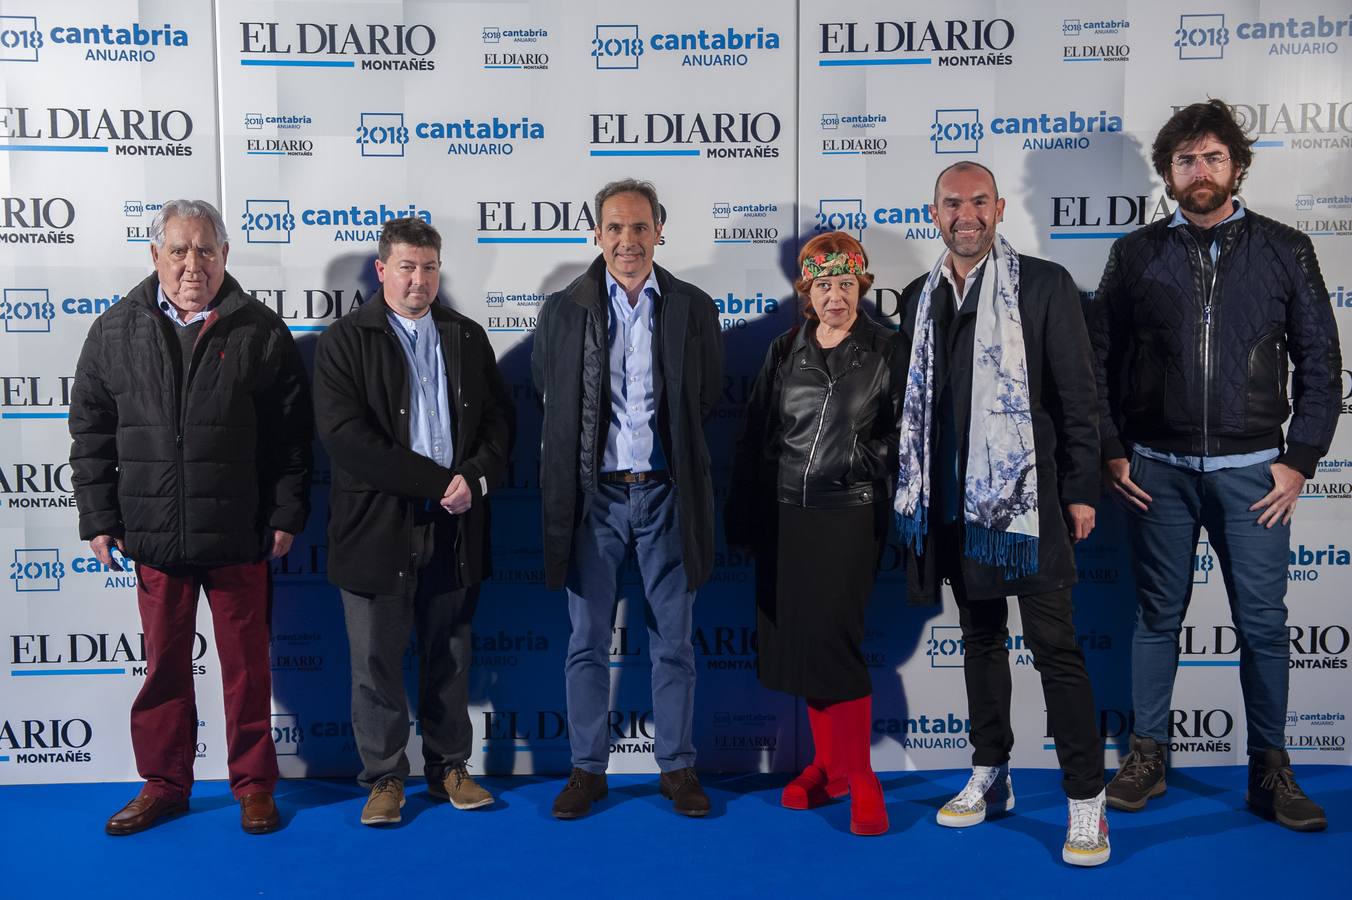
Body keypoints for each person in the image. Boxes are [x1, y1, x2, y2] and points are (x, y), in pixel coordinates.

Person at [1091, 99, 1339, 832]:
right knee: (1155, 618)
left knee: (1263, 625)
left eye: (1212, 157)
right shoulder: (1134, 253)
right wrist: (1110, 447)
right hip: (1155, 470)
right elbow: (1097, 360)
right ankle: (1148, 755)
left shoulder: (1286, 249)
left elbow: (1322, 361)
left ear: (1236, 165)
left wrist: (1300, 459)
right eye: (1185, 160)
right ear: (1168, 172)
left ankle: (1271, 769)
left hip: (1256, 474)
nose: (1199, 171)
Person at [69, 199, 311, 836]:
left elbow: (291, 438)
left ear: (226, 255)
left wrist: (286, 510)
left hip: (239, 534)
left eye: (206, 249)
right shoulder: (114, 330)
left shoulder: (259, 330)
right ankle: (165, 784)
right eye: (178, 250)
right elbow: (90, 433)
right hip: (153, 537)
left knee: (247, 669)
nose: (192, 263)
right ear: (155, 256)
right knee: (164, 672)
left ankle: (255, 786)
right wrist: (98, 515)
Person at [896, 162, 1108, 866]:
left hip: (1031, 506)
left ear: (999, 208)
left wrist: (1080, 490)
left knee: (1057, 651)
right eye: (953, 203)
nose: (967, 214)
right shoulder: (919, 300)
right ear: (934, 214)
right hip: (957, 508)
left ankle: (1086, 801)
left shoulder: (1043, 286)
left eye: (979, 201)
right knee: (981, 642)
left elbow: (1079, 399)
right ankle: (992, 772)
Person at [313, 217, 514, 826]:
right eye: (406, 266)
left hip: (454, 528)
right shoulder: (344, 341)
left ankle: (450, 765)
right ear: (382, 271)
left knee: (449, 650)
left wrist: (472, 480)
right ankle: (384, 778)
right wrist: (436, 482)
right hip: (376, 528)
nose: (418, 279)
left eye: (428, 267)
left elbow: (500, 428)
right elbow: (348, 441)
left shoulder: (466, 337)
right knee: (375, 661)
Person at [532, 179, 722, 819]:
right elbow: (548, 393)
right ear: (596, 235)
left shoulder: (693, 307)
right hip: (595, 501)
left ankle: (678, 768)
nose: (627, 241)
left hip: (668, 494)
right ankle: (587, 770)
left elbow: (706, 398)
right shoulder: (564, 309)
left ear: (659, 231)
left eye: (639, 227)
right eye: (614, 228)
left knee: (674, 640)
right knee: (586, 641)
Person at [726, 231, 903, 836]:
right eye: (823, 285)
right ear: (806, 290)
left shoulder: (887, 348)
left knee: (835, 645)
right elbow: (756, 438)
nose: (835, 296)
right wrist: (744, 517)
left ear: (862, 286)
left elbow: (912, 434)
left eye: (846, 284)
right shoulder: (783, 351)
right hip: (785, 517)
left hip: (850, 515)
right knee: (799, 647)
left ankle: (862, 776)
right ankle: (827, 766)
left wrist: (859, 460)